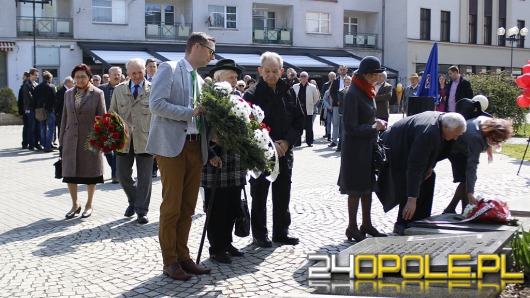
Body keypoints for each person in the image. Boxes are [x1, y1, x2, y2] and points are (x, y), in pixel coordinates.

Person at [146, 32, 215, 281]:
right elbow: (156, 104)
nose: (212, 56)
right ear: (197, 47)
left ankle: (184, 257)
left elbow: (201, 116)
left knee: (188, 207)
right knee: (172, 207)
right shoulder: (169, 68)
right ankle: (170, 261)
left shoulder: (201, 79)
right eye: (210, 51)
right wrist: (190, 112)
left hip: (196, 147)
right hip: (173, 147)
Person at [243, 51, 304, 247]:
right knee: (259, 194)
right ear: (260, 71)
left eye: (275, 71)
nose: (271, 75)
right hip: (261, 154)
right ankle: (260, 234)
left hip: (285, 152)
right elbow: (250, 126)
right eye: (267, 71)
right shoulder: (251, 94)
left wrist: (286, 141)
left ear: (282, 71)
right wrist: (271, 143)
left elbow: (299, 120)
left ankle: (281, 232)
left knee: (283, 193)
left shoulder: (289, 90)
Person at [379, 111, 467, 235]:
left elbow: (442, 150)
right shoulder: (428, 133)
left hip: (411, 146)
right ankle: (402, 223)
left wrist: (430, 166)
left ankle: (421, 219)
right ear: (446, 127)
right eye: (455, 134)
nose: (456, 138)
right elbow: (414, 167)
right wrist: (412, 200)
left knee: (429, 176)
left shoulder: (446, 123)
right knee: (410, 180)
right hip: (395, 147)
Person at [338, 56, 388, 242]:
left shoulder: (367, 90)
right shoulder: (352, 94)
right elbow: (350, 127)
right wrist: (374, 127)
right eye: (376, 74)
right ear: (367, 74)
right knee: (355, 189)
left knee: (368, 188)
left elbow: (364, 118)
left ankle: (366, 224)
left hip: (367, 146)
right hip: (355, 149)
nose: (378, 77)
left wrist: (375, 123)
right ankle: (351, 227)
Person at [202, 59, 247, 264]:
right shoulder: (207, 98)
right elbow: (201, 131)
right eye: (232, 77)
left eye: (236, 77)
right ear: (219, 79)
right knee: (216, 208)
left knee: (231, 206)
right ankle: (216, 247)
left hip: (235, 160)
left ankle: (227, 242)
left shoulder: (238, 97)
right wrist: (210, 153)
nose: (235, 80)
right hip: (216, 161)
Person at [108, 58, 153, 224]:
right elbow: (112, 112)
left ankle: (142, 210)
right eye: (133, 73)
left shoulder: (153, 89)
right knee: (121, 174)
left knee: (145, 178)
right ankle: (134, 201)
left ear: (145, 72)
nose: (137, 76)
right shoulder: (119, 90)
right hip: (124, 140)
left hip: (145, 139)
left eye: (140, 72)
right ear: (127, 74)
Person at [60, 64, 106, 220]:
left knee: (91, 174)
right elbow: (64, 118)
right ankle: (75, 205)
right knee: (69, 174)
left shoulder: (97, 93)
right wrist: (61, 140)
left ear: (89, 78)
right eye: (77, 77)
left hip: (90, 141)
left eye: (83, 76)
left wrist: (101, 141)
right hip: (71, 139)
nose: (79, 79)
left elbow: (102, 119)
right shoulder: (67, 94)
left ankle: (89, 204)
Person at [442, 117, 513, 214]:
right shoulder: (476, 137)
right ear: (489, 133)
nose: (496, 143)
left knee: (466, 179)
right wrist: (470, 193)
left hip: (465, 147)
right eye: (495, 140)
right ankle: (462, 210)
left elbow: (488, 140)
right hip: (455, 149)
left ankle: (455, 209)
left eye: (499, 141)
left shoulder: (488, 123)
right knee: (466, 178)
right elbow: (472, 166)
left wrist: (489, 147)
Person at [99, 66, 122, 184]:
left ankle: (115, 174)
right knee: (107, 150)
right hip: (105, 124)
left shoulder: (125, 88)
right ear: (109, 76)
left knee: (118, 151)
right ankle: (115, 169)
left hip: (119, 125)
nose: (117, 76)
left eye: (118, 74)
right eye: (114, 74)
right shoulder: (101, 89)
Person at [292, 71, 320, 147]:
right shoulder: (295, 86)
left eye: (305, 76)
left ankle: (309, 142)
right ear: (300, 78)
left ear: (307, 78)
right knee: (298, 125)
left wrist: (311, 104)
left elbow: (316, 98)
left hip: (308, 108)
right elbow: (292, 97)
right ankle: (297, 142)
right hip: (298, 109)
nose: (303, 78)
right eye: (302, 76)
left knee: (309, 126)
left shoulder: (312, 87)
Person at [33, 71, 57, 152]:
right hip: (49, 109)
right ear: (50, 78)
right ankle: (48, 146)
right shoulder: (52, 87)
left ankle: (44, 144)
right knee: (51, 128)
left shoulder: (37, 87)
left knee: (42, 127)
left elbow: (34, 99)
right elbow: (55, 99)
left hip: (40, 109)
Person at [144, 58, 159, 178]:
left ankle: (155, 167)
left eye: (154, 66)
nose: (153, 68)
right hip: (145, 116)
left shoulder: (160, 80)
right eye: (151, 66)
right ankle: (151, 168)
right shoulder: (143, 82)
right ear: (146, 68)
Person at [22, 68, 42, 151]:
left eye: (37, 75)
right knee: (31, 127)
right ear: (30, 75)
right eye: (35, 75)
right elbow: (29, 98)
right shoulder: (27, 85)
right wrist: (36, 104)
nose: (37, 77)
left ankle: (36, 144)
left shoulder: (36, 84)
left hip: (36, 108)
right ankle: (31, 145)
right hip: (30, 109)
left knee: (37, 127)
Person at [329, 65, 348, 148]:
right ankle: (334, 140)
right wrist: (337, 100)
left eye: (344, 69)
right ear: (338, 70)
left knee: (344, 123)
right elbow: (332, 92)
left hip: (347, 105)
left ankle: (344, 140)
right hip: (337, 105)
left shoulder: (349, 79)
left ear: (346, 70)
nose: (342, 71)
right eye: (341, 69)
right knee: (336, 123)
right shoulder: (335, 80)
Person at [336, 75, 352, 152]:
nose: (348, 83)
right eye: (347, 82)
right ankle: (340, 146)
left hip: (352, 113)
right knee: (342, 130)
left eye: (349, 82)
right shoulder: (341, 91)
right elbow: (341, 100)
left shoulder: (354, 91)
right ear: (344, 82)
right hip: (343, 113)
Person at [321, 71, 336, 141]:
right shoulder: (325, 85)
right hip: (328, 107)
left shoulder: (337, 84)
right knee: (328, 122)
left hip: (335, 107)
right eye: (331, 77)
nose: (332, 78)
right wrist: (329, 106)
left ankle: (334, 135)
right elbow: (324, 98)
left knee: (335, 123)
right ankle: (328, 134)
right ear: (329, 77)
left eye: (334, 77)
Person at [18, 72, 30, 149]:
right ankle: (25, 142)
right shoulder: (24, 86)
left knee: (26, 127)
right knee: (26, 127)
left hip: (24, 109)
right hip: (26, 109)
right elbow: (21, 101)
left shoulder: (24, 86)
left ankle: (25, 142)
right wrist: (21, 111)